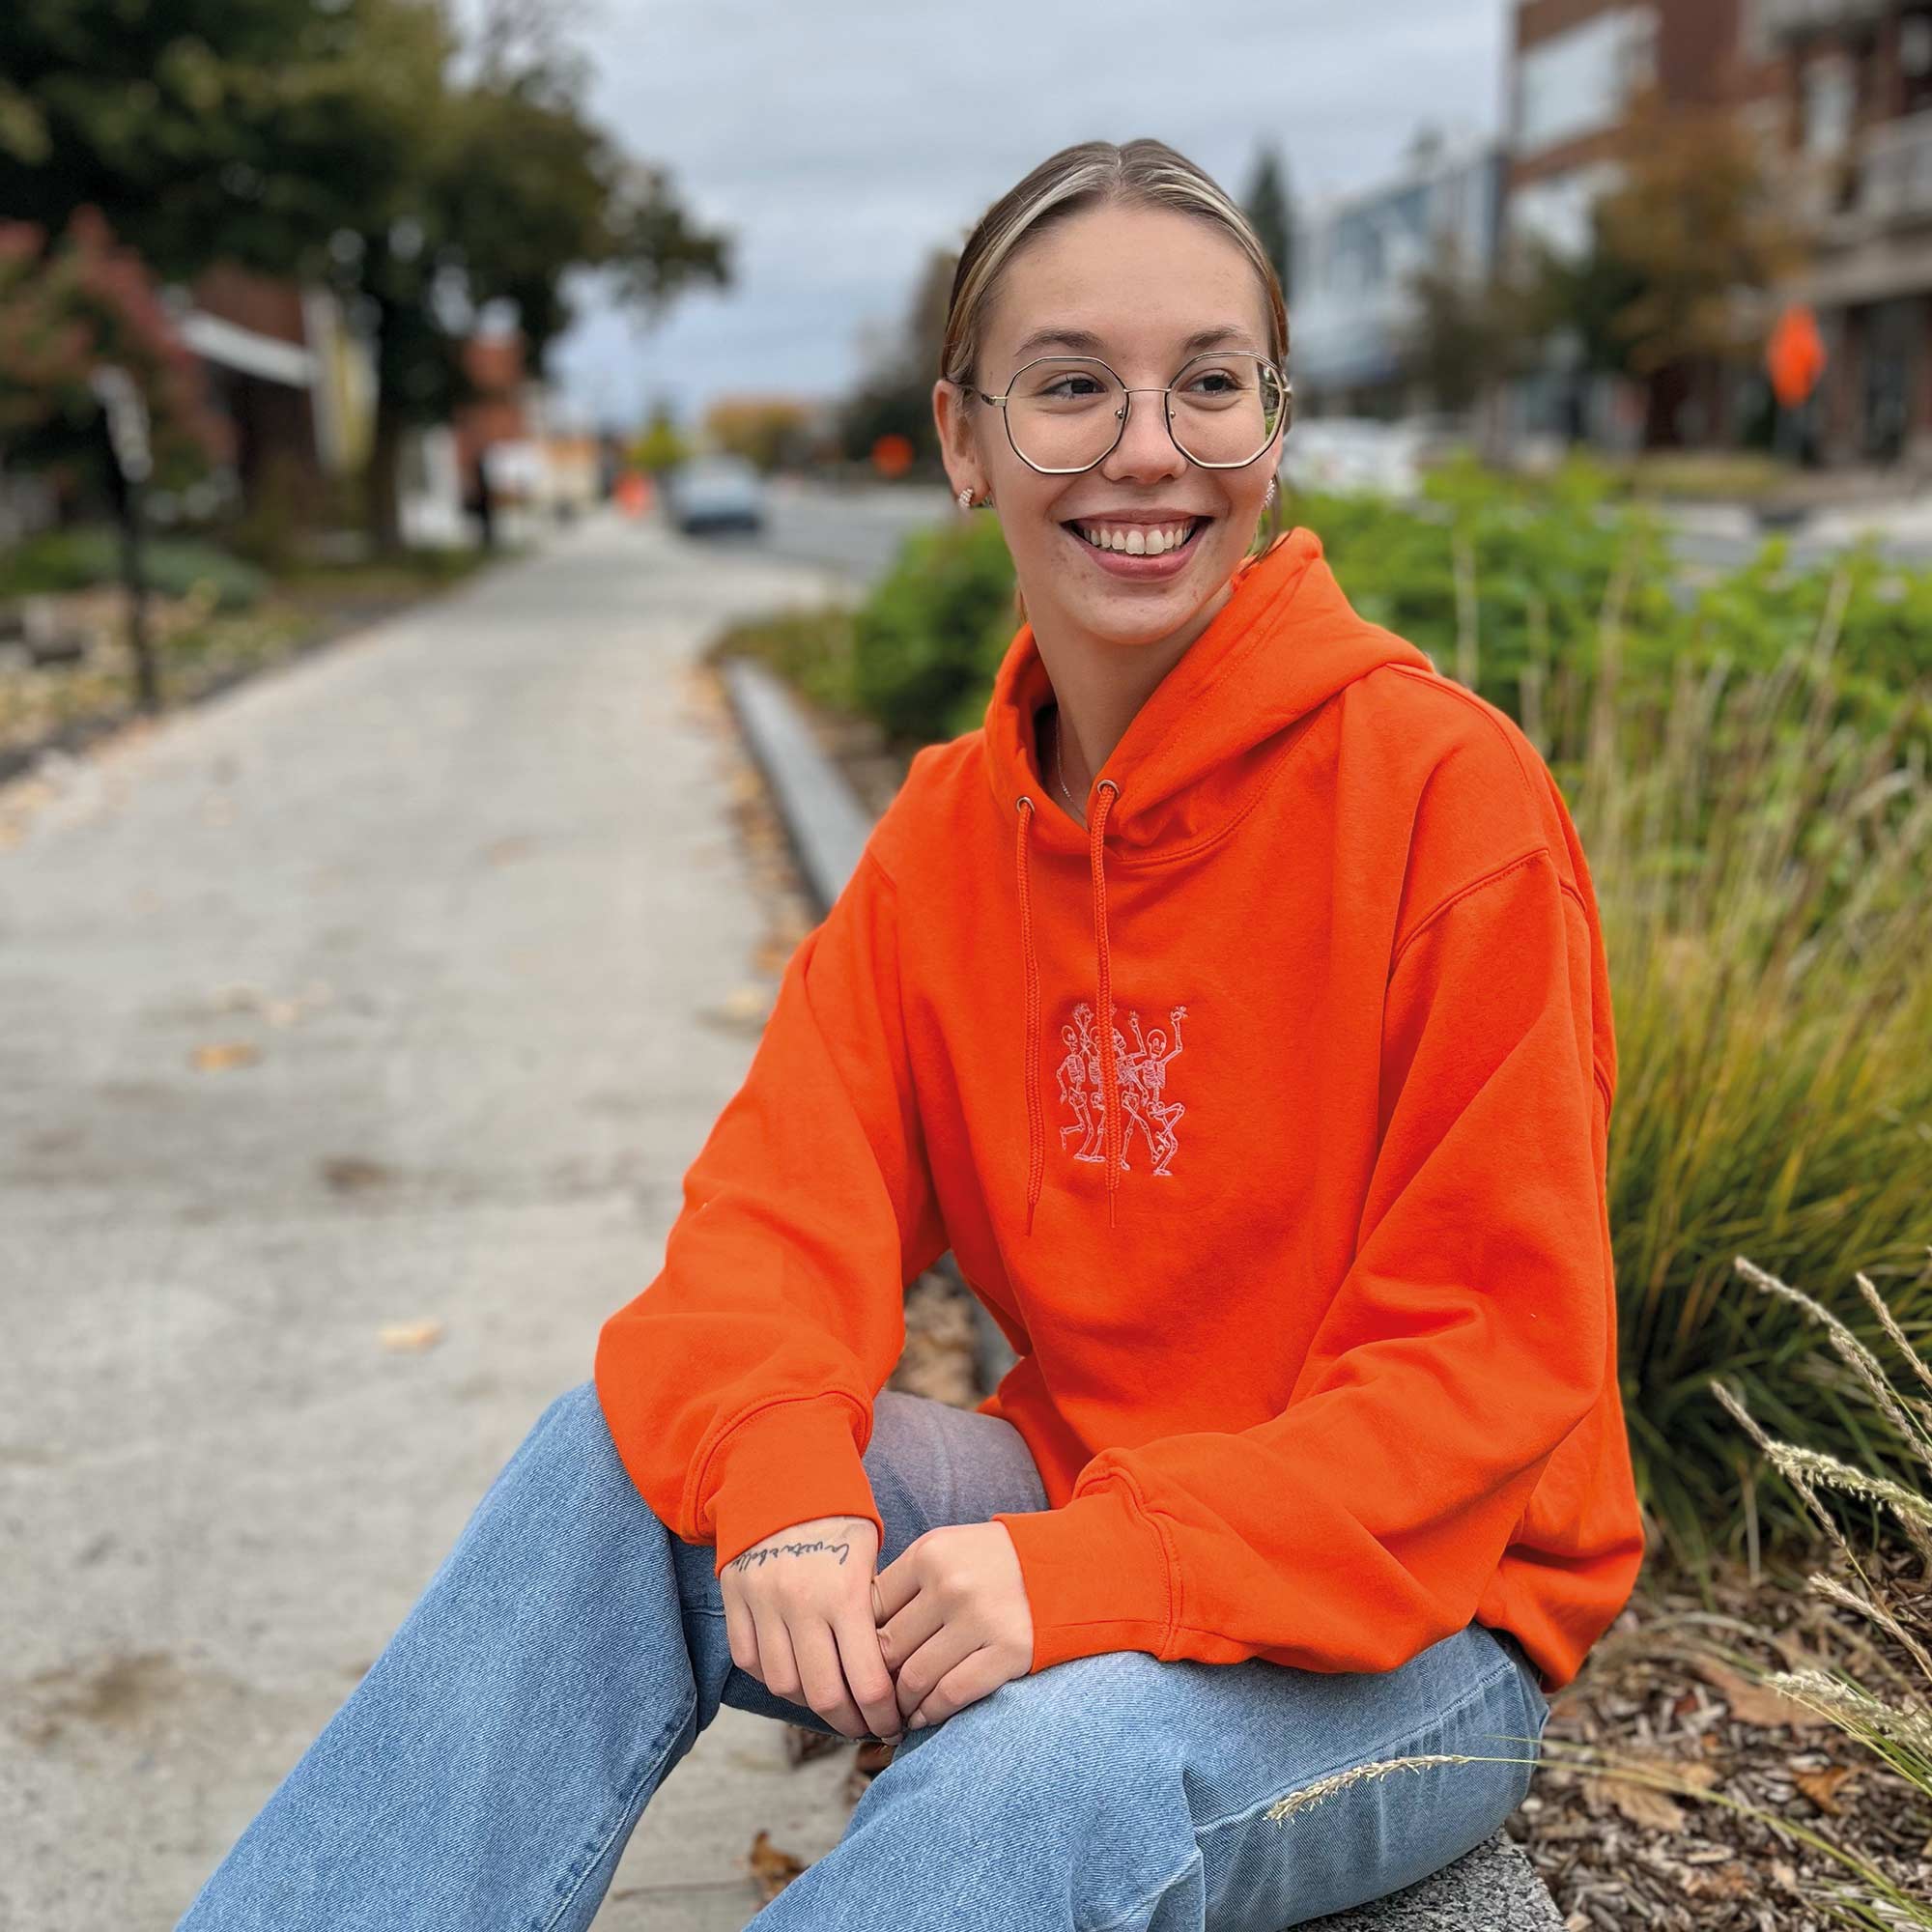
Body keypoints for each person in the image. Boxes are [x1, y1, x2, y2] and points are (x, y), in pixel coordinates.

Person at [174, 136, 1646, 1932]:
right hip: (1088, 1493)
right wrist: (787, 1486)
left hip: (1426, 1628)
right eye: (1070, 390)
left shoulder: (1443, 796)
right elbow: (780, 1219)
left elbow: (1484, 1364)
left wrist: (1105, 1572)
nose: (1147, 450)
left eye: (1209, 385)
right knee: (622, 1472)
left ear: (1276, 424)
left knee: (1042, 1772)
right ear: (963, 441)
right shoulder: (956, 833)